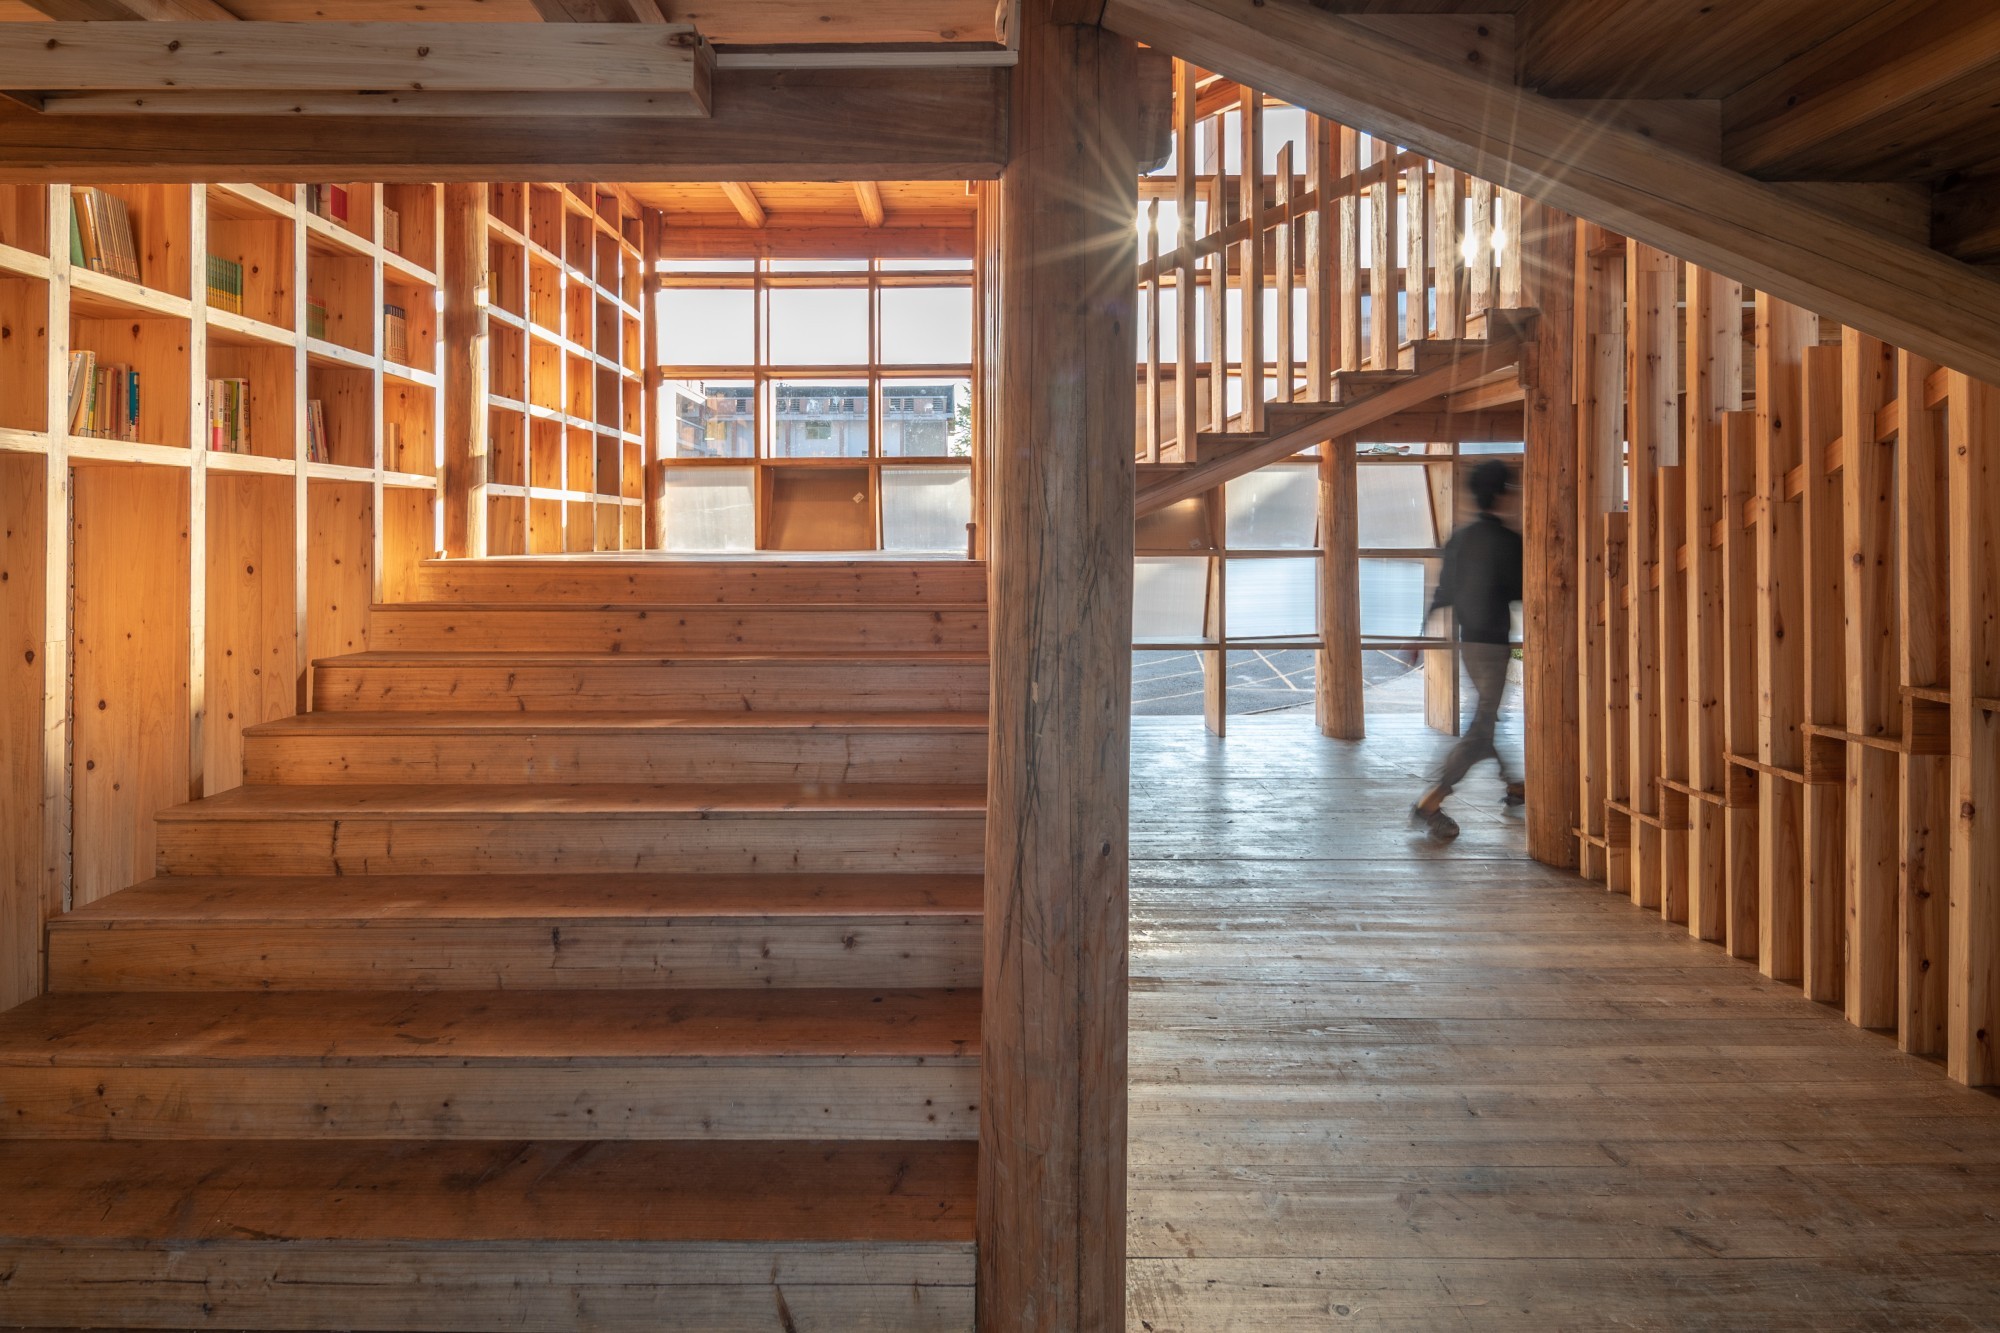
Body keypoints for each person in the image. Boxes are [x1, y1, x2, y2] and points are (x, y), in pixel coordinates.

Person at [1412, 458, 1523, 842]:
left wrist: (1420, 634)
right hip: (1493, 644)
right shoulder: (1508, 542)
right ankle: (1433, 799)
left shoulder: (1460, 538)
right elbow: (1522, 590)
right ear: (1502, 494)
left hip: (1469, 642)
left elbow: (1445, 590)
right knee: (1481, 728)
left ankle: (1515, 784)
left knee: (1487, 719)